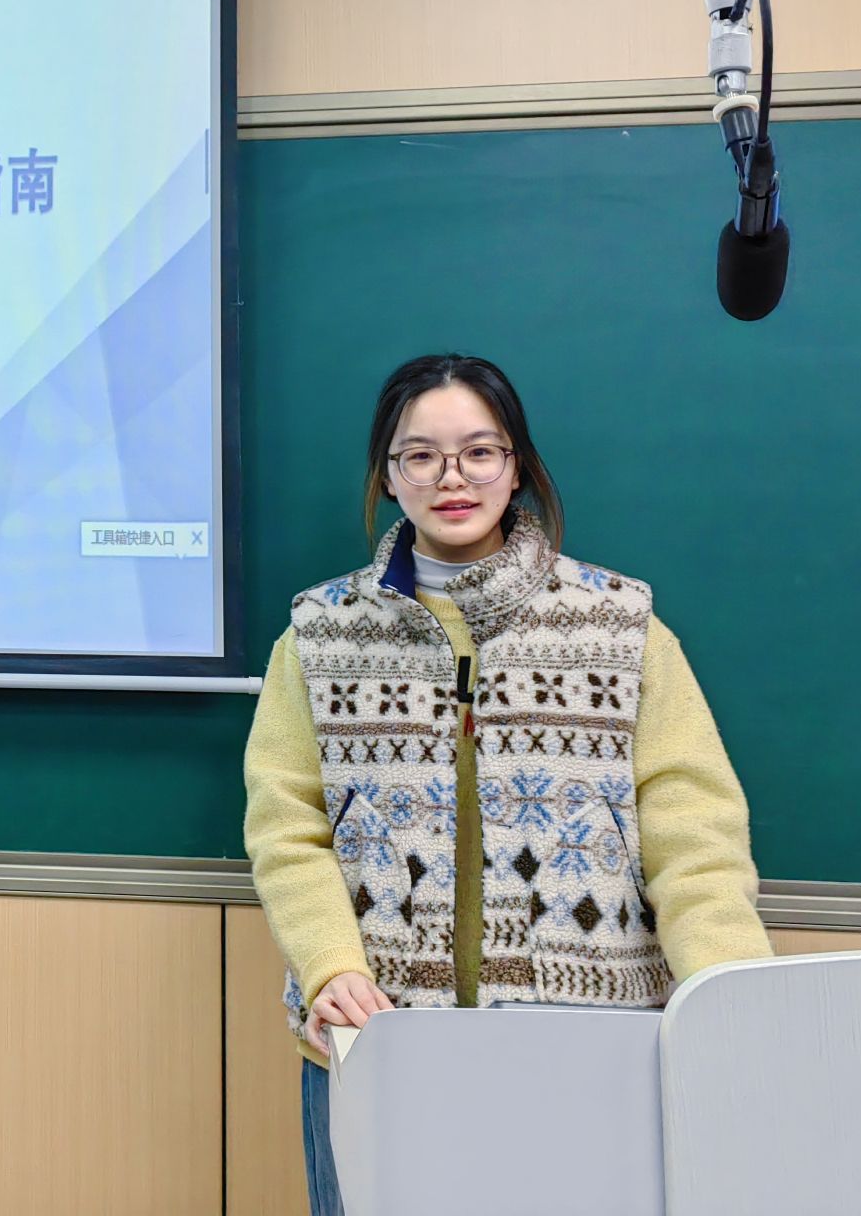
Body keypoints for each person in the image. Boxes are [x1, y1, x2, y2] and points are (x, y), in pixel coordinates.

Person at [243, 354, 772, 1215]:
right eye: (421, 455)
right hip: (377, 1033)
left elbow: (694, 833)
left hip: (588, 1038)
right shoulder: (320, 635)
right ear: (388, 475)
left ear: (516, 466)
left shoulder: (618, 624)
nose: (452, 478)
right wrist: (330, 964)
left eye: (480, 452)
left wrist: (732, 990)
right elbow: (285, 825)